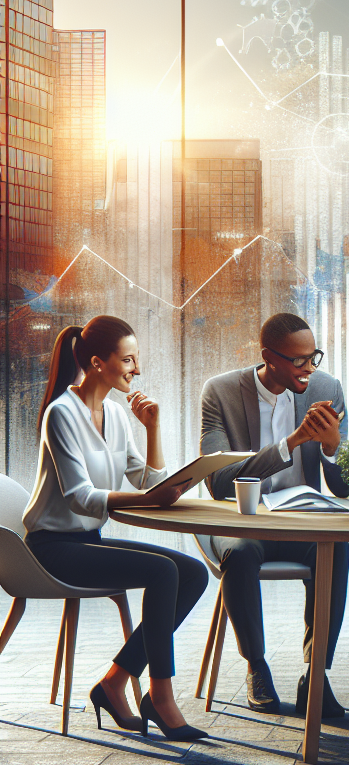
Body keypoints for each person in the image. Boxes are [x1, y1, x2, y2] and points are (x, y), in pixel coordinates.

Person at [22, 316, 209, 741]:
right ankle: (161, 698)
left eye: (136, 359)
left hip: (88, 542)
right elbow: (80, 497)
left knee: (193, 573)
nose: (136, 369)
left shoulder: (115, 415)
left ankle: (114, 680)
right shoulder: (62, 415)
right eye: (128, 359)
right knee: (163, 572)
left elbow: (149, 481)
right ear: (96, 362)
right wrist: (148, 500)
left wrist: (153, 427)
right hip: (50, 550)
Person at [200, 312, 349, 718]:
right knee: (242, 552)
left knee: (338, 548)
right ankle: (256, 665)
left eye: (313, 356)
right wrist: (293, 442)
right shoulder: (221, 392)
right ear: (268, 356)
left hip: (302, 521)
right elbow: (218, 482)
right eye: (298, 360)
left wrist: (333, 447)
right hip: (241, 521)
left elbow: (341, 488)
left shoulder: (326, 389)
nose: (309, 368)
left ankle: (315, 674)